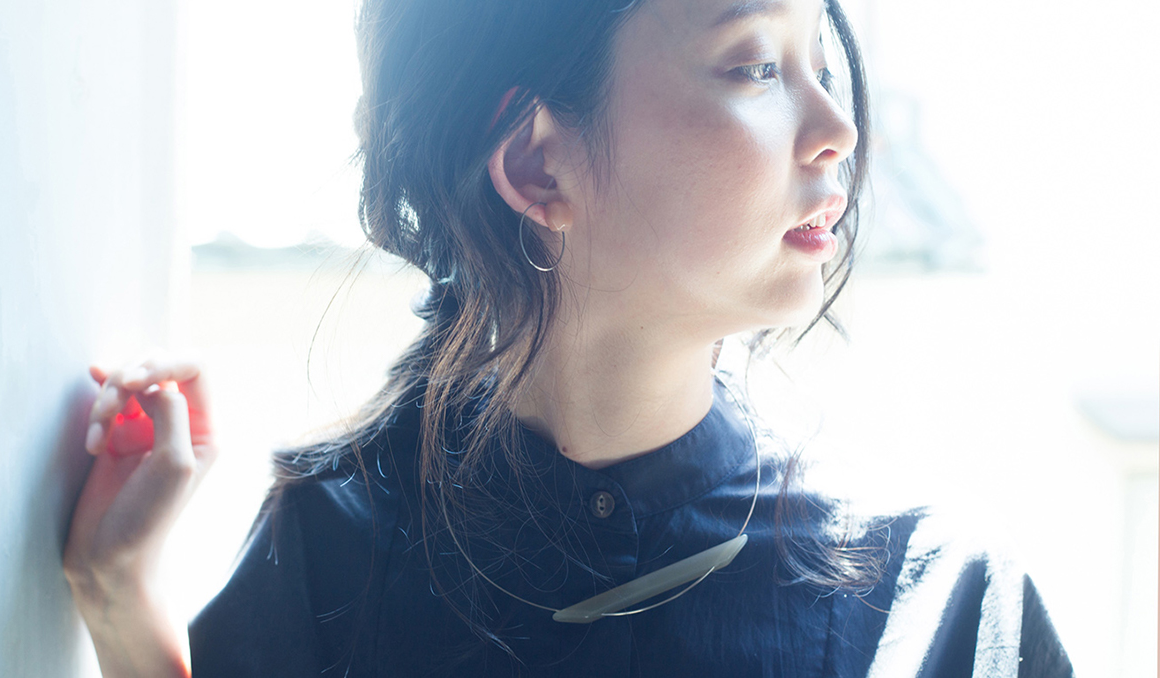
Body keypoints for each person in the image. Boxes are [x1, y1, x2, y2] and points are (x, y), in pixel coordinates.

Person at [63, 0, 1078, 675]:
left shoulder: (939, 601)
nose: (838, 128)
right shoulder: (330, 552)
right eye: (755, 65)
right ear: (537, 167)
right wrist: (114, 598)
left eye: (821, 60)